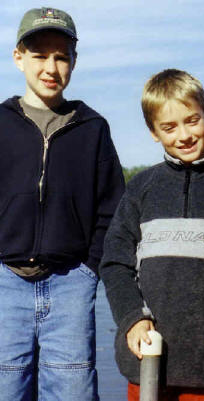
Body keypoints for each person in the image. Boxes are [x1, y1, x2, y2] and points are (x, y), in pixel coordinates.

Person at [99, 69, 204, 401]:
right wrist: (133, 320)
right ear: (154, 132)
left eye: (192, 120)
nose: (183, 135)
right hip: (147, 361)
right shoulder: (142, 187)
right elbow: (114, 264)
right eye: (169, 127)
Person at [0, 7, 125, 400]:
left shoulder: (92, 128)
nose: (51, 66)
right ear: (19, 57)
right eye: (40, 55)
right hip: (4, 281)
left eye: (61, 56)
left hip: (71, 281)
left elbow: (112, 209)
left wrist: (90, 269)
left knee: (72, 388)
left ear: (73, 61)